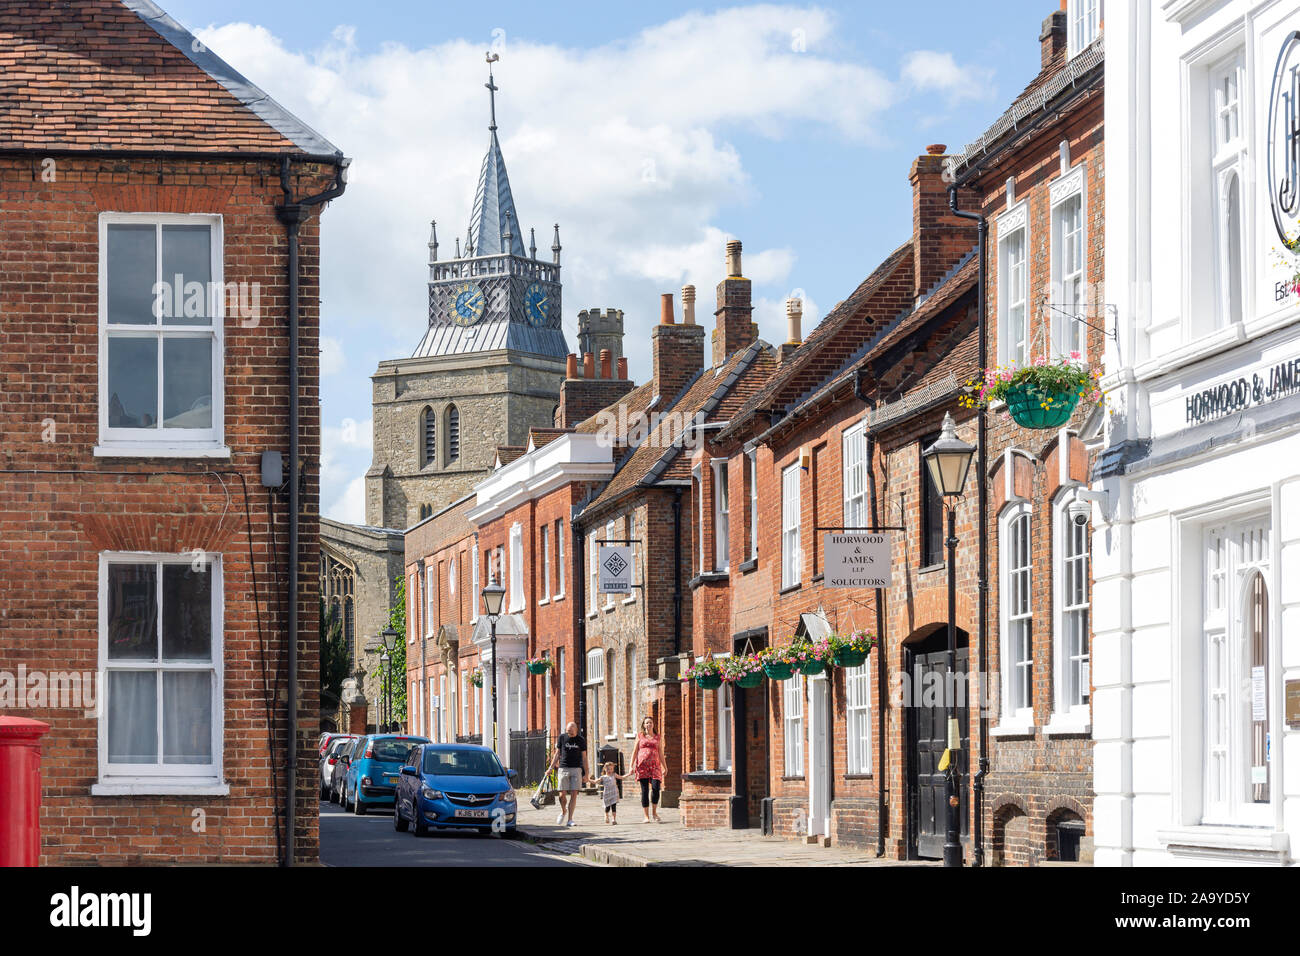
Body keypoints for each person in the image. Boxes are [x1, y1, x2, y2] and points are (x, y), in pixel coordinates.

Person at [546, 721, 587, 827]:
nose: (570, 733)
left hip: (576, 769)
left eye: (572, 732)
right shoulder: (562, 738)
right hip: (563, 768)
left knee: (574, 794)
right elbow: (557, 754)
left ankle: (570, 819)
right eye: (568, 731)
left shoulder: (580, 740)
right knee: (561, 795)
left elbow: (584, 757)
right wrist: (550, 768)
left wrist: (586, 773)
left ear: (576, 730)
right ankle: (564, 810)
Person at [631, 715, 667, 823]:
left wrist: (665, 766)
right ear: (644, 725)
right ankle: (646, 816)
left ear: (653, 724)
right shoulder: (640, 736)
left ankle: (654, 813)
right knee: (645, 791)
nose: (649, 724)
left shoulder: (657, 737)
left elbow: (660, 752)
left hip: (655, 766)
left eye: (650, 722)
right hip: (642, 766)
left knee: (656, 789)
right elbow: (635, 751)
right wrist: (631, 766)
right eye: (647, 723)